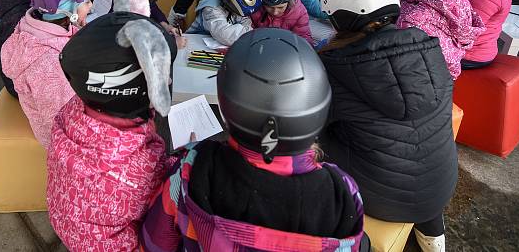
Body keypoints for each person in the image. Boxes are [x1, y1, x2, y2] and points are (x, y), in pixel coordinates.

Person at [141, 29, 368, 251]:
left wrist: (190, 152)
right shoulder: (343, 194)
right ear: (318, 107)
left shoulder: (190, 172)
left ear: (226, 108)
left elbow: (155, 243)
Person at [319, 0, 457, 252]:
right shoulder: (430, 49)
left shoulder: (336, 67)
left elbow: (311, 126)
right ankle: (434, 241)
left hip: (381, 199)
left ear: (343, 19)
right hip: (440, 187)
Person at [48, 0, 178, 251]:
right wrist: (185, 159)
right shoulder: (142, 166)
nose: (169, 82)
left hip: (70, 226)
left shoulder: (71, 111)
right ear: (128, 88)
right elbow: (169, 189)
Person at [0, 0, 97, 148]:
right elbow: (66, 123)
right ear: (67, 9)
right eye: (86, 2)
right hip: (65, 141)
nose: (91, 7)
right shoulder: (48, 66)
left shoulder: (36, 22)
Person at [186, 0, 260, 46]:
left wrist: (246, 31)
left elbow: (246, 22)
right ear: (229, 2)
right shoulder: (211, 9)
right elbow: (225, 35)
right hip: (195, 42)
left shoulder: (236, 5)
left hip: (215, 43)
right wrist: (247, 32)